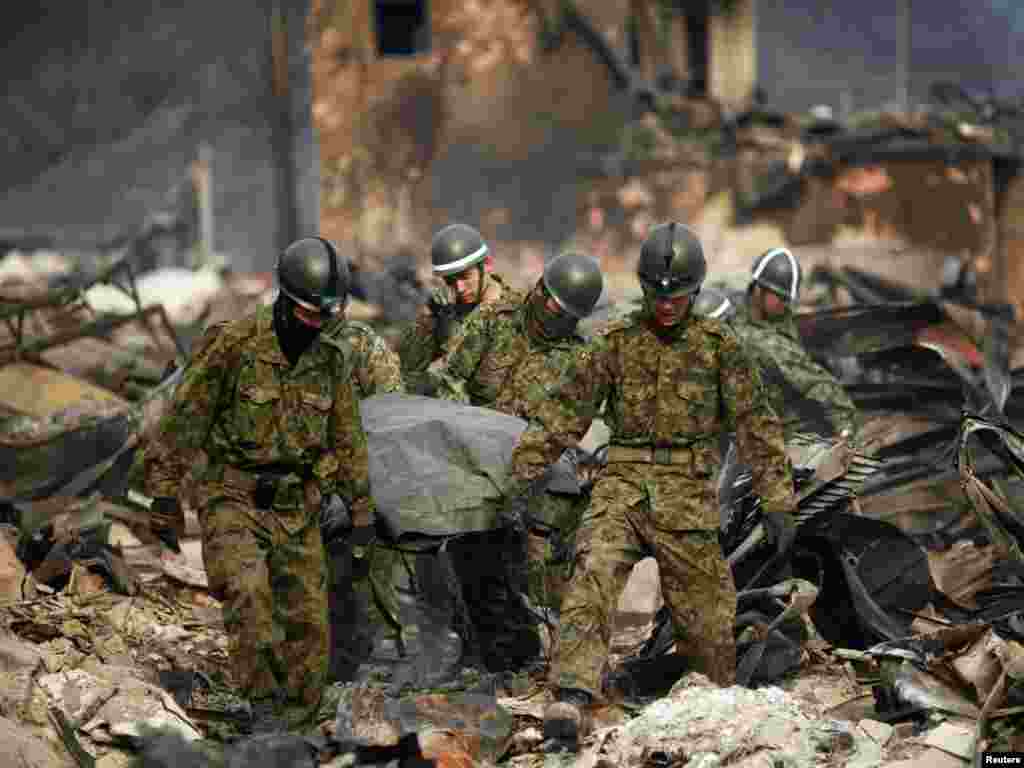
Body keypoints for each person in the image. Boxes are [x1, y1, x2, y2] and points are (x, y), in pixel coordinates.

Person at [505, 222, 798, 750]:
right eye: (657, 295)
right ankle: (570, 697)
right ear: (643, 288)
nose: (667, 306)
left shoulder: (718, 347)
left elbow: (756, 423)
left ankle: (708, 701)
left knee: (709, 620)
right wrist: (523, 475)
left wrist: (778, 500)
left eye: (679, 296)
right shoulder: (616, 340)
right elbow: (565, 412)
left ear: (696, 291)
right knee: (591, 571)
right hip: (622, 482)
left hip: (686, 490)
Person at [142, 236, 377, 730]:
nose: (318, 323)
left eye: (327, 314)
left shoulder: (331, 359)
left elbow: (348, 439)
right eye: (310, 313)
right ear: (286, 300)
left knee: (309, 630)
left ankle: (298, 728)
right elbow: (185, 418)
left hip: (296, 506)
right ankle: (263, 713)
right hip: (232, 496)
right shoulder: (235, 344)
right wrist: (163, 494)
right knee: (249, 597)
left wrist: (360, 516)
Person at [426, 251, 605, 669]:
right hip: (464, 452)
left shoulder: (580, 357)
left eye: (564, 315)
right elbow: (451, 376)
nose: (550, 316)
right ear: (540, 289)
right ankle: (468, 648)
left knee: (518, 565)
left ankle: (523, 653)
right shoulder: (496, 319)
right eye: (549, 303)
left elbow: (566, 428)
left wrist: (521, 470)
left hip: (526, 472)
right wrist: (462, 430)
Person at [318, 303, 407, 681]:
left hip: (359, 479)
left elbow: (392, 419)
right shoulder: (283, 345)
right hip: (304, 481)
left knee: (364, 579)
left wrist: (357, 491)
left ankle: (374, 663)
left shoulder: (362, 346)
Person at [733, 246, 859, 442]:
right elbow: (814, 382)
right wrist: (847, 425)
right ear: (760, 289)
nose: (786, 304)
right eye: (781, 298)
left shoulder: (740, 307)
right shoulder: (766, 344)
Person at [397, 223, 522, 394]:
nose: (460, 288)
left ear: (487, 264)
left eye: (465, 276)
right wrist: (428, 315)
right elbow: (407, 368)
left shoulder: (515, 315)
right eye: (450, 281)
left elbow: (488, 388)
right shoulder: (448, 309)